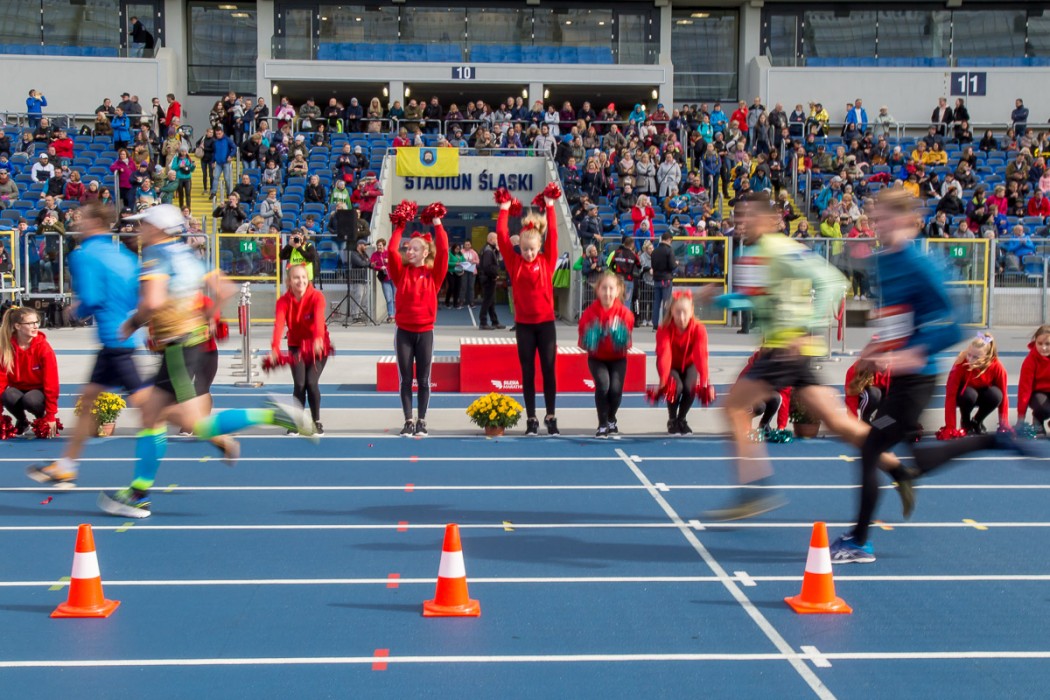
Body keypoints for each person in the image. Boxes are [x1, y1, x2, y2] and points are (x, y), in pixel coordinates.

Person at [96, 205, 315, 518]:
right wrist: (207, 317)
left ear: (158, 228)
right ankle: (138, 493)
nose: (139, 230)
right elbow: (224, 288)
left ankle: (274, 415)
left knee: (196, 424)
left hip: (179, 348)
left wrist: (132, 323)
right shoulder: (188, 255)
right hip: (191, 344)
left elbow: (152, 302)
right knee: (151, 415)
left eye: (143, 224)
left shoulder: (156, 256)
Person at [700, 193, 900, 520]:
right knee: (837, 422)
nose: (741, 223)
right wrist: (719, 300)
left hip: (786, 348)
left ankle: (754, 491)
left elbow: (833, 282)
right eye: (737, 217)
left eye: (748, 216)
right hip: (787, 350)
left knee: (733, 407)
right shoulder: (751, 254)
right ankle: (897, 468)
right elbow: (752, 300)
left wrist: (808, 328)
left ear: (769, 220)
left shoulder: (781, 248)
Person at [27, 203, 149, 486]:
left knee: (151, 406)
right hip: (124, 337)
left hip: (114, 341)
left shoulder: (83, 255)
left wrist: (76, 310)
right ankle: (66, 465)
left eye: (80, 220)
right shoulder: (125, 255)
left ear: (94, 222)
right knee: (89, 398)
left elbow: (92, 299)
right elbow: (136, 297)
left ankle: (207, 429)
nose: (76, 224)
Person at [496, 186, 562, 435]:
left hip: (546, 325)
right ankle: (532, 418)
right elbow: (502, 236)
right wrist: (504, 209)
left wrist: (550, 205)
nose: (529, 253)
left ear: (539, 246)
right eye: (525, 249)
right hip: (524, 326)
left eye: (533, 249)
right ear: (520, 247)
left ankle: (551, 416)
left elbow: (553, 233)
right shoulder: (514, 263)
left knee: (548, 370)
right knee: (528, 372)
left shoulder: (547, 261)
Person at [388, 201, 448, 436]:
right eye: (408, 248)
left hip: (425, 332)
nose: (409, 252)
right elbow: (391, 251)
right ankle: (408, 420)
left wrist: (437, 223)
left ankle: (422, 420)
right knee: (405, 379)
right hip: (403, 332)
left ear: (425, 252)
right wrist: (399, 226)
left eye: (414, 249)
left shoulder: (434, 276)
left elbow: (443, 251)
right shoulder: (400, 274)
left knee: (423, 379)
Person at [272, 264, 330, 435]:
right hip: (296, 345)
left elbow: (319, 319)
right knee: (299, 383)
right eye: (296, 277)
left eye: (303, 277)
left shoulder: (317, 297)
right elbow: (279, 325)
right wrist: (275, 347)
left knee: (311, 383)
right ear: (289, 281)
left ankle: (316, 421)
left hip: (318, 346)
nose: (301, 281)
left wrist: (318, 338)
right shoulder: (283, 301)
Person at [579, 271, 634, 438]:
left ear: (618, 291)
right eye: (604, 288)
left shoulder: (625, 314)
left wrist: (619, 336)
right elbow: (582, 343)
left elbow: (627, 343)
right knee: (603, 385)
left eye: (611, 289)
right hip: (597, 358)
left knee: (616, 390)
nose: (607, 293)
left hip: (618, 358)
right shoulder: (589, 313)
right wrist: (592, 336)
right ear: (597, 290)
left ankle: (611, 418)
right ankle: (602, 424)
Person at [655, 291, 713, 435]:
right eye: (677, 312)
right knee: (675, 387)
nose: (681, 317)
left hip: (689, 363)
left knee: (690, 388)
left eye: (685, 312)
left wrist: (705, 380)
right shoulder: (664, 329)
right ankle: (672, 419)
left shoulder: (699, 329)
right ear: (671, 311)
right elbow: (665, 354)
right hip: (670, 365)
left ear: (692, 311)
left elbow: (701, 355)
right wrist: (663, 379)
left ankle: (682, 419)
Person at [0, 306, 58, 436]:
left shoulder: (44, 348)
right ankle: (22, 421)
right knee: (8, 395)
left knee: (31, 400)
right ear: (18, 326)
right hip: (18, 389)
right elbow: (1, 381)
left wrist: (51, 415)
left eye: (37, 322)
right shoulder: (7, 348)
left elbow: (52, 383)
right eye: (30, 323)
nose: (35, 326)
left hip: (38, 392)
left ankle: (41, 418)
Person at [943, 333, 1009, 435]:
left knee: (997, 395)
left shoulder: (997, 367)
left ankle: (977, 421)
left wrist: (1004, 424)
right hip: (965, 396)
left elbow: (1004, 396)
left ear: (986, 357)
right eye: (969, 354)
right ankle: (965, 421)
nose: (970, 359)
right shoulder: (961, 363)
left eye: (975, 357)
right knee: (970, 394)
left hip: (984, 395)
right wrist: (950, 426)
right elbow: (950, 395)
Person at [1017, 325, 1050, 435]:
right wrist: (1021, 417)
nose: (1043, 348)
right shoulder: (1030, 361)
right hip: (1038, 394)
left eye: (1048, 344)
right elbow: (1024, 389)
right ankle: (1037, 419)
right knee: (1044, 408)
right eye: (1040, 343)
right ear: (1035, 342)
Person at [844, 359, 890, 424]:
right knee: (874, 393)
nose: (886, 362)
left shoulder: (896, 368)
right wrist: (854, 423)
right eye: (881, 360)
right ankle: (865, 422)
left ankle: (879, 424)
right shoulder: (857, 369)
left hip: (885, 395)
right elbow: (851, 398)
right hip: (868, 396)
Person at [650, 231, 677, 327]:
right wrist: (676, 263)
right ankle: (665, 324)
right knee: (666, 303)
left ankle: (655, 325)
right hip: (666, 279)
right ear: (669, 240)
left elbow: (653, 265)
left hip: (656, 279)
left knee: (656, 303)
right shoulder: (669, 250)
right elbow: (672, 266)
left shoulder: (654, 251)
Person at [477, 231, 504, 330]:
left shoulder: (490, 249)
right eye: (496, 239)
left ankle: (494, 321)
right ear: (491, 239)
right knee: (487, 300)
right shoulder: (488, 251)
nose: (497, 241)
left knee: (491, 301)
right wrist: (495, 274)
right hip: (488, 279)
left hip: (488, 278)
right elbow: (487, 266)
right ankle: (483, 322)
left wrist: (497, 251)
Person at [370, 238, 395, 323]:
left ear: (384, 246)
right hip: (385, 279)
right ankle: (391, 315)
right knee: (388, 298)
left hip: (394, 278)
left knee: (395, 298)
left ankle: (397, 315)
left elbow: (396, 262)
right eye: (378, 245)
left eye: (380, 245)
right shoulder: (374, 255)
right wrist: (380, 267)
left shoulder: (389, 253)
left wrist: (389, 261)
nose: (379, 247)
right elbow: (373, 266)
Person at [460, 240, 479, 308]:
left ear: (470, 245)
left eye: (468, 244)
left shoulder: (474, 252)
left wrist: (473, 261)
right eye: (466, 245)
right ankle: (461, 302)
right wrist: (463, 261)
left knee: (471, 287)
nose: (467, 246)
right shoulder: (461, 252)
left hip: (472, 271)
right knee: (463, 287)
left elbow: (478, 261)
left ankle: (472, 302)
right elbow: (458, 260)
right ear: (464, 245)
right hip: (464, 271)